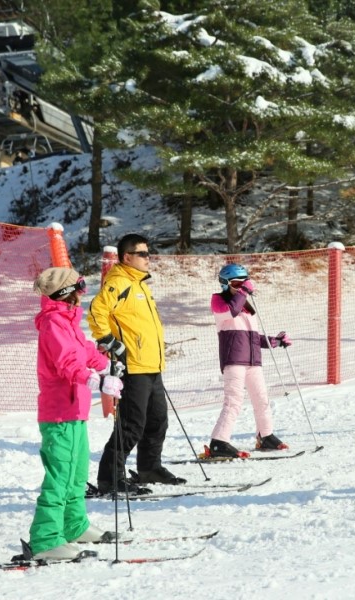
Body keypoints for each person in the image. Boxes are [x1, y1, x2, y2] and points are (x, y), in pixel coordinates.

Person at [28, 267, 124, 560]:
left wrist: (107, 366)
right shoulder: (53, 323)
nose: (82, 293)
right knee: (60, 476)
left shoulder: (67, 322)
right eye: (79, 287)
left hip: (75, 411)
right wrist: (94, 379)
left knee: (77, 473)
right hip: (59, 413)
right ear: (65, 293)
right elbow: (67, 363)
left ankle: (74, 525)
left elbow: (83, 351)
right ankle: (45, 540)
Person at [87, 234, 186, 493]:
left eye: (148, 253)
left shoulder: (140, 284)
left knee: (157, 421)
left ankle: (149, 468)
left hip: (151, 365)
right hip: (133, 366)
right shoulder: (119, 282)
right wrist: (109, 341)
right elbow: (96, 311)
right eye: (142, 254)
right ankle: (110, 478)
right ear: (127, 257)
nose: (147, 258)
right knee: (131, 425)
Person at [205, 263, 291, 459]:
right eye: (236, 283)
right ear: (225, 284)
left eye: (244, 282)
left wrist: (274, 341)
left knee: (262, 400)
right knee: (233, 401)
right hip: (234, 360)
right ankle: (218, 442)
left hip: (253, 361)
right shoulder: (219, 301)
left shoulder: (245, 307)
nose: (241, 286)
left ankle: (266, 435)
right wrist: (243, 292)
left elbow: (251, 337)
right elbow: (231, 311)